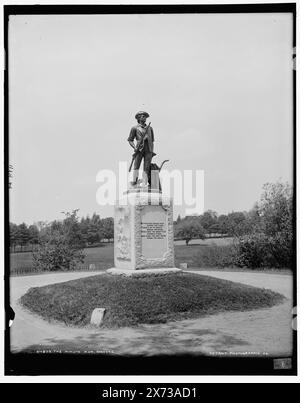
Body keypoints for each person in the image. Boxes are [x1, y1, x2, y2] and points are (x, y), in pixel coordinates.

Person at [127, 111, 155, 186]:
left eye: (145, 116)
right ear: (139, 118)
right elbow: (130, 140)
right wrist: (135, 147)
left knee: (146, 167)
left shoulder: (150, 128)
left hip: (148, 149)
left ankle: (145, 183)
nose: (145, 118)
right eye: (143, 116)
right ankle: (135, 182)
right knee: (136, 166)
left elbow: (152, 141)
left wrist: (152, 151)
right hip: (139, 149)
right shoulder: (134, 128)